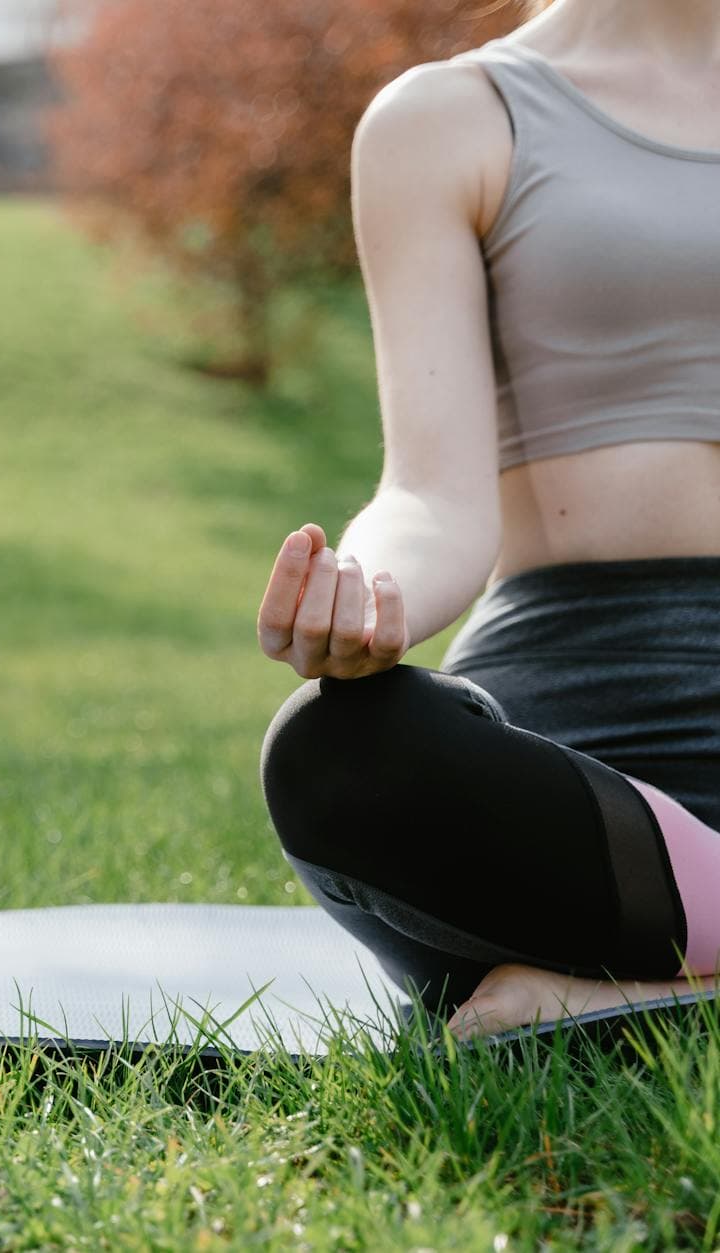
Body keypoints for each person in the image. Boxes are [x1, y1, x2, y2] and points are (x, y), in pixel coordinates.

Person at [255, 0, 720, 1041]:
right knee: (333, 755)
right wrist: (367, 599)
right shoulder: (447, 120)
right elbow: (431, 493)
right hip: (581, 779)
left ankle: (640, 994)